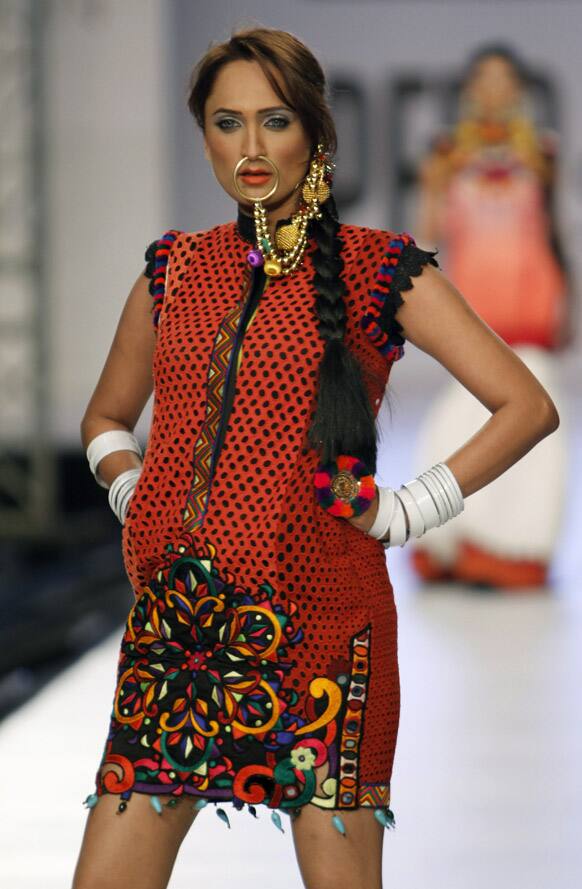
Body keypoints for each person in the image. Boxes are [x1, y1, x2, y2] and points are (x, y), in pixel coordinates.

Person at [72, 28, 560, 889]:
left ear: (316, 132)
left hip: (328, 629)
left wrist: (411, 509)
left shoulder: (381, 270)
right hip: (178, 639)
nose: (252, 147)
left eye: (275, 120)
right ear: (205, 134)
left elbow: (526, 404)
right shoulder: (172, 269)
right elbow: (107, 418)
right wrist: (132, 489)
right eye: (228, 123)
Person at [412, 44, 572, 590]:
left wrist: (566, 301)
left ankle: (514, 549)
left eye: (506, 80)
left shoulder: (542, 155)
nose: (495, 90)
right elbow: (428, 236)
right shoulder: (446, 155)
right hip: (474, 317)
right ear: (469, 90)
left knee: (534, 426)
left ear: (521, 92)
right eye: (485, 79)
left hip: (528, 311)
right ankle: (454, 542)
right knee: (461, 421)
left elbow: (555, 232)